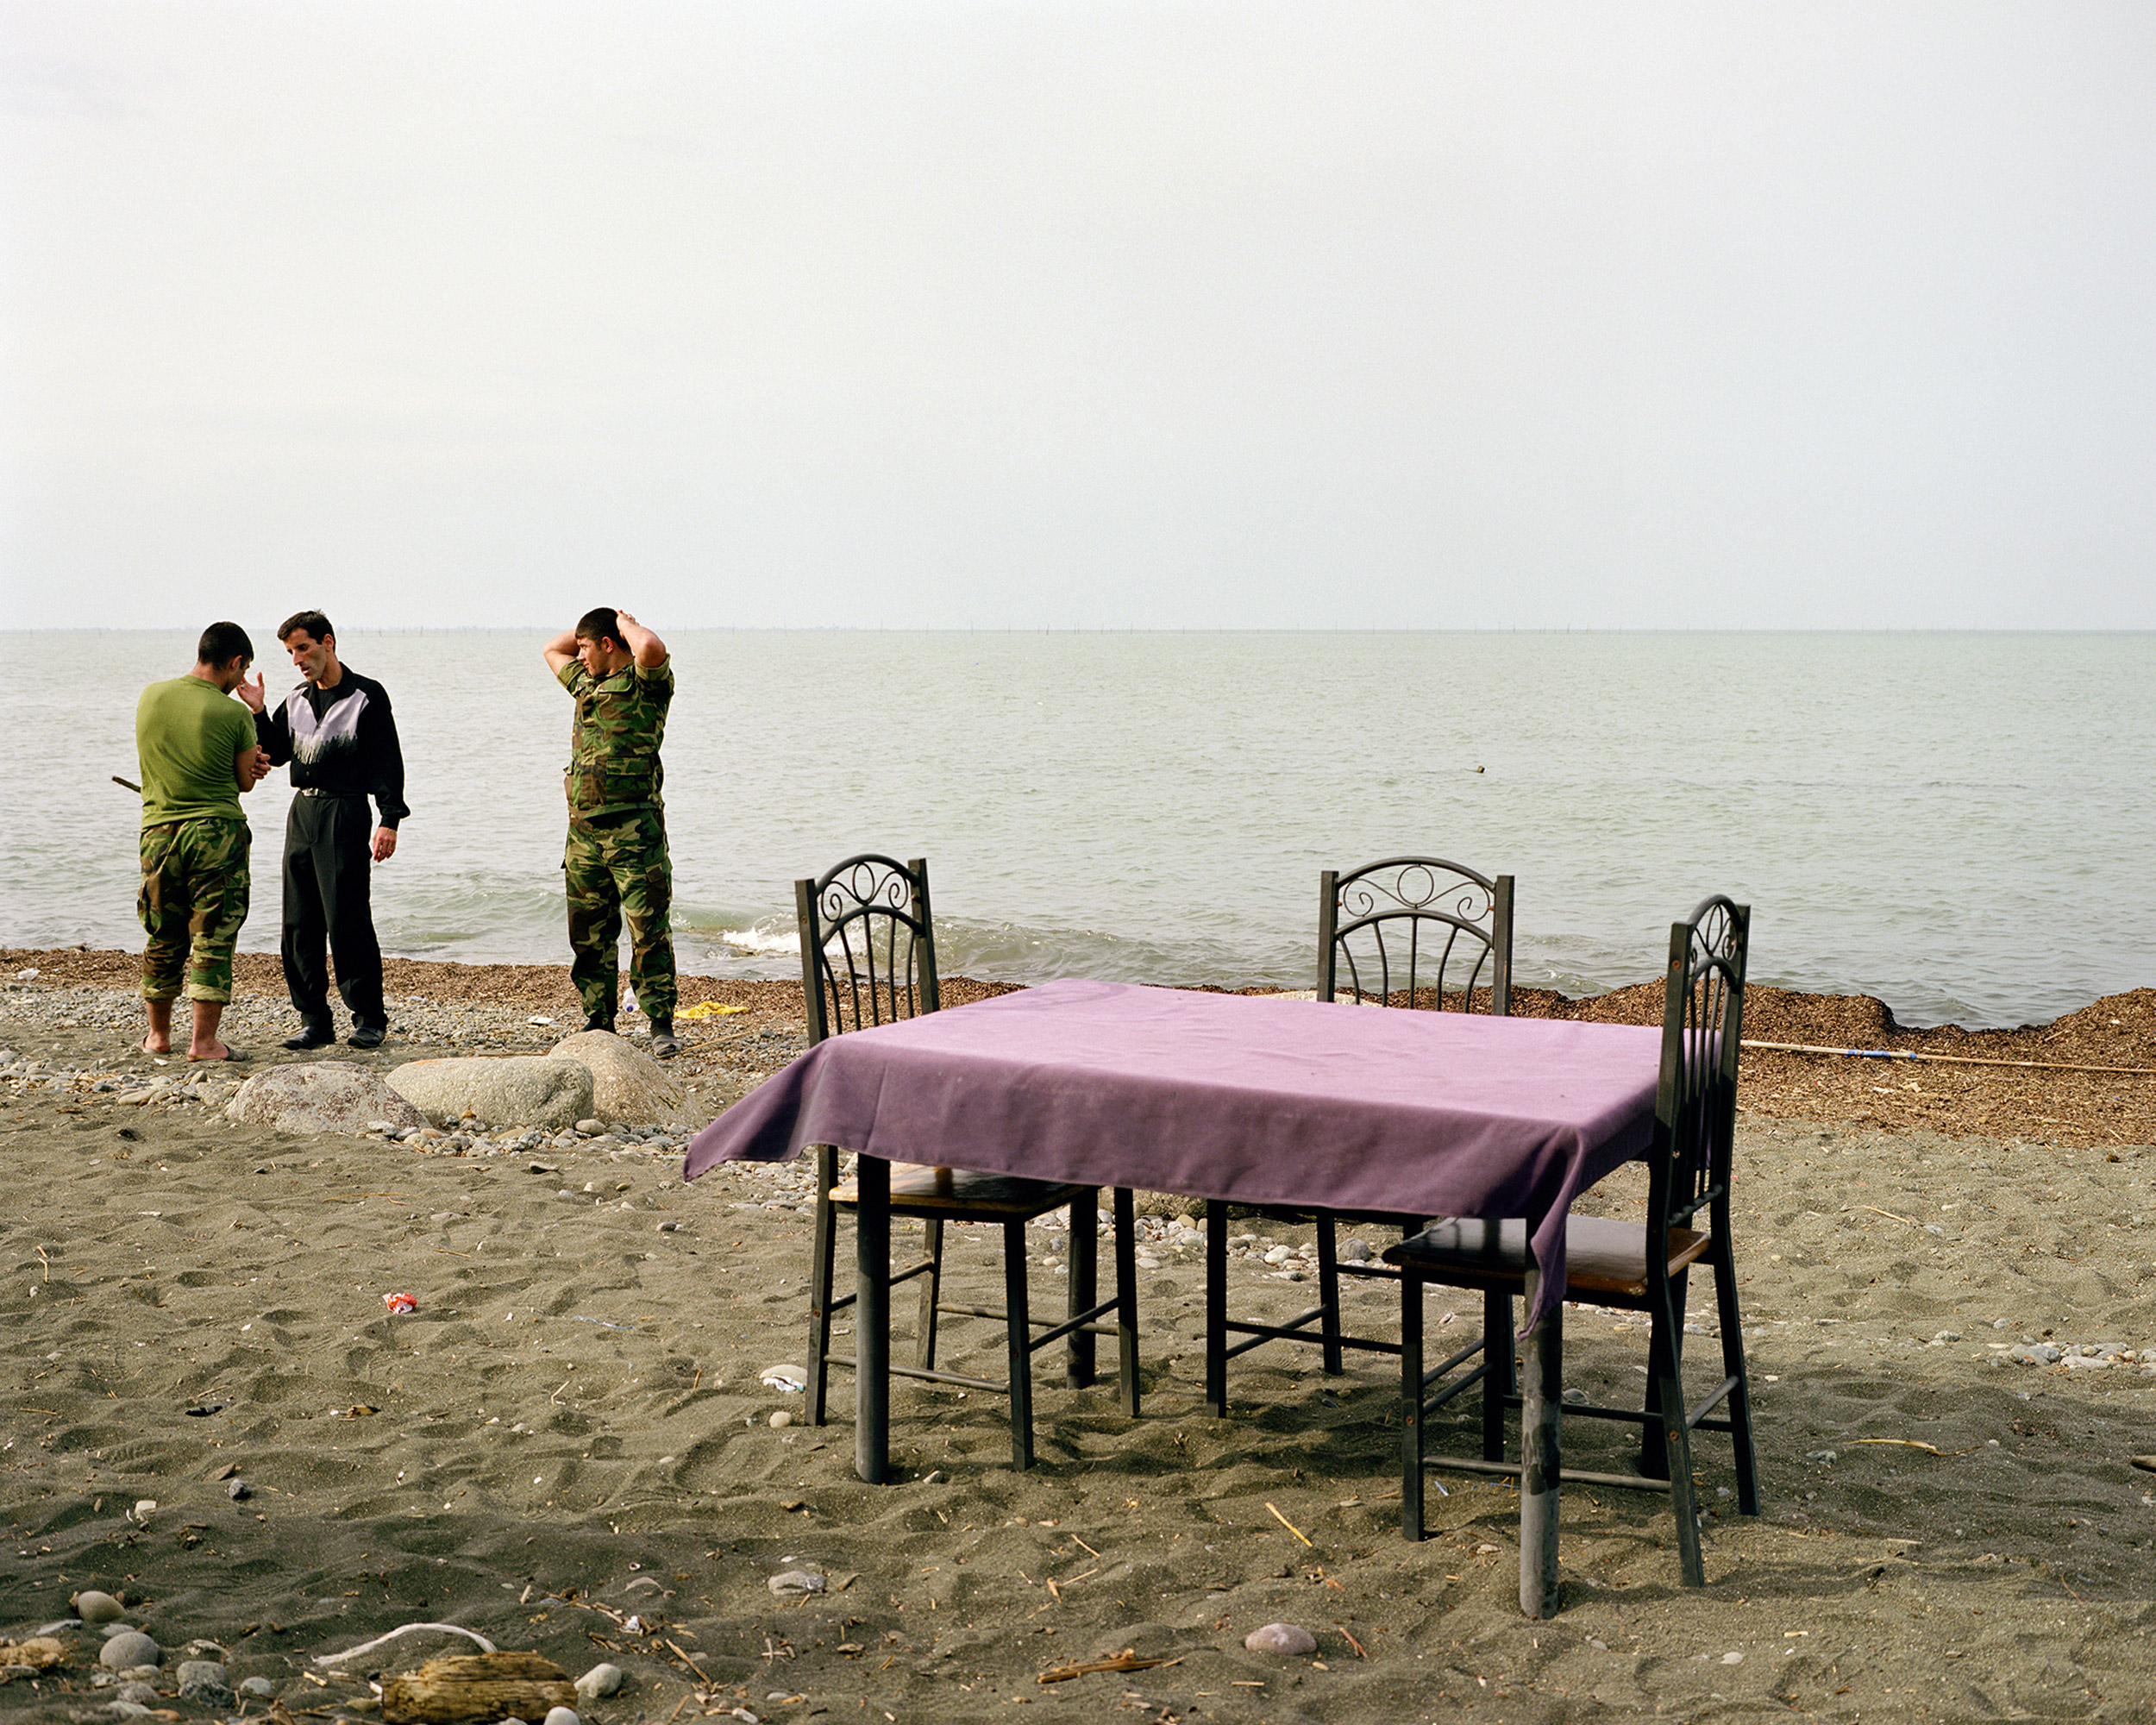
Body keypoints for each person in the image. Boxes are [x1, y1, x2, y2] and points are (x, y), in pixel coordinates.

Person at [239, 611, 408, 1050]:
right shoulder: (295, 699)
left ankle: (369, 1018)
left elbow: (386, 760)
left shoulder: (366, 696)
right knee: (298, 922)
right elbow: (276, 753)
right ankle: (315, 1019)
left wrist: (389, 819)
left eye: (303, 648)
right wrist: (258, 709)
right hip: (303, 814)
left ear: (327, 642)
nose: (297, 659)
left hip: (346, 811)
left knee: (347, 918)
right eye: (291, 652)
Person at [542, 606, 679, 1057]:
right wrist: (588, 631)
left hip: (634, 830)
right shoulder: (585, 684)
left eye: (587, 647)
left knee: (648, 928)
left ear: (608, 645)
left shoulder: (646, 684)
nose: (577, 655)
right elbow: (551, 648)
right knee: (589, 932)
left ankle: (660, 1023)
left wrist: (621, 623)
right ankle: (598, 1021)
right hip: (583, 834)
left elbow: (651, 647)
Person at [135, 622, 272, 1062]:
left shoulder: (150, 696)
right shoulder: (233, 714)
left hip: (158, 833)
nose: (240, 681)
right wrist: (254, 730)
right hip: (215, 833)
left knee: (162, 934)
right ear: (235, 663)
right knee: (212, 936)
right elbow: (243, 782)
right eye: (242, 671)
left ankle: (158, 1037)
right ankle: (204, 1043)